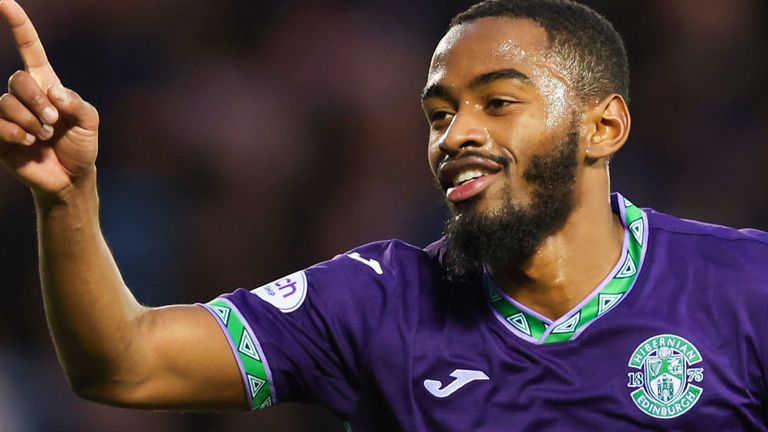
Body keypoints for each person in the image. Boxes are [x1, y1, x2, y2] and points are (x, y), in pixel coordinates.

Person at [1, 0, 766, 430]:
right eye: (439, 114)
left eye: (498, 103)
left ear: (604, 127)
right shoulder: (374, 300)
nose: (455, 134)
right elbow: (124, 364)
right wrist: (67, 198)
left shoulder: (746, 287)